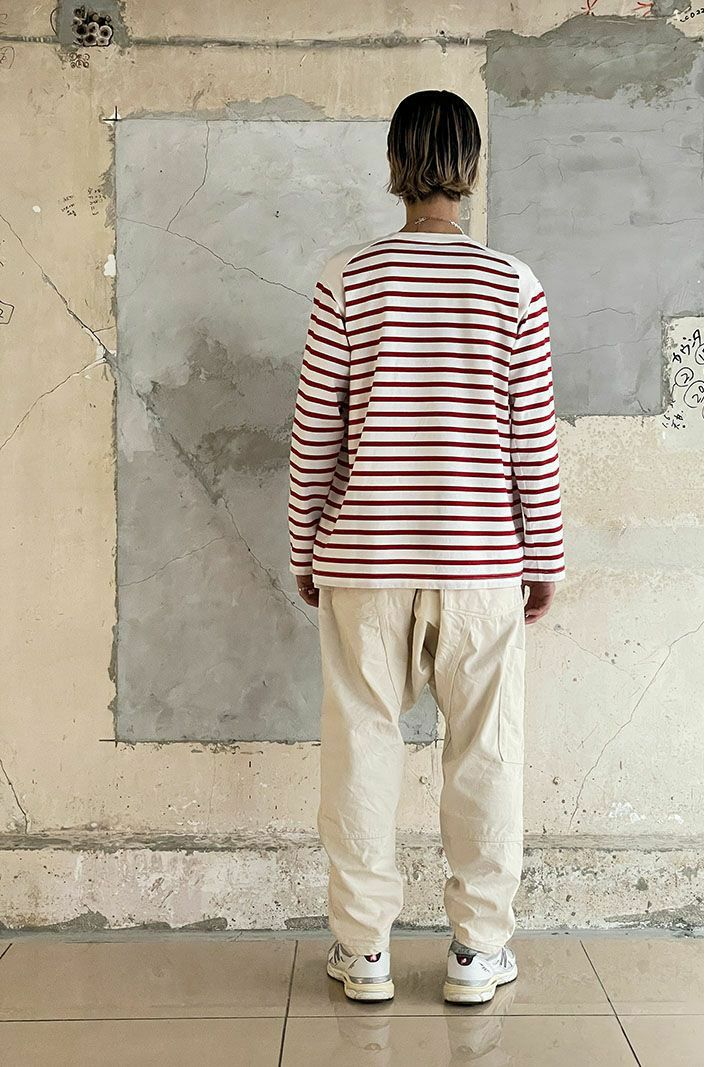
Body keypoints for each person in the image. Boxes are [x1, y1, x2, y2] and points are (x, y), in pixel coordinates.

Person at [287, 89, 565, 1005]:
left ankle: (364, 951)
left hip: (364, 562)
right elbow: (532, 442)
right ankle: (476, 952)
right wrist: (543, 559)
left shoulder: (347, 280)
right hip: (482, 564)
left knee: (361, 749)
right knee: (485, 754)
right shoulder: (514, 285)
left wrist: (306, 549)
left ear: (394, 165)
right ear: (472, 167)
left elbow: (314, 437)